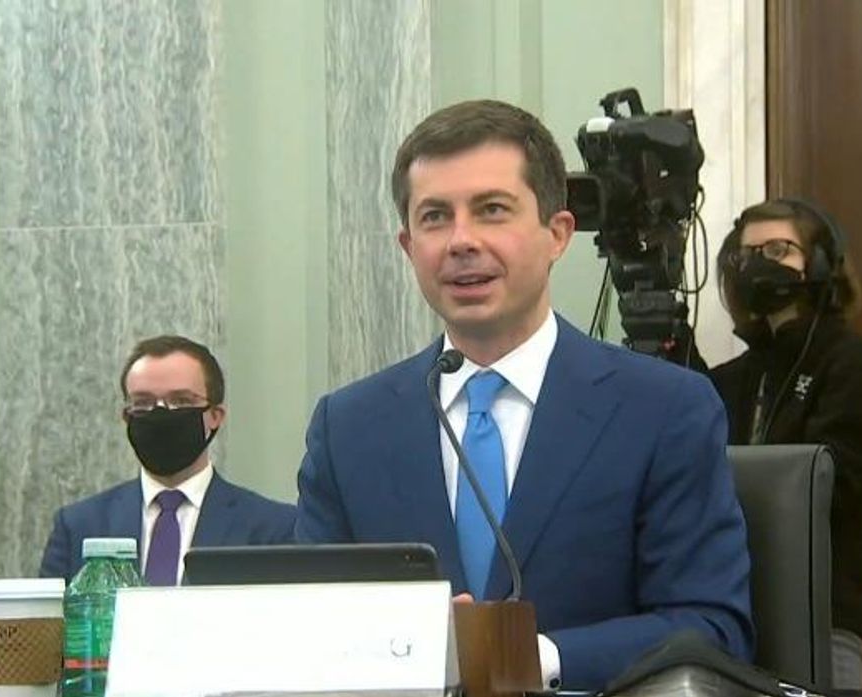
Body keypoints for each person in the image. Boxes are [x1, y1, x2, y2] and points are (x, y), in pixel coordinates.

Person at [294, 100, 754, 691]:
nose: (461, 241)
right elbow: (310, 629)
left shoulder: (665, 409)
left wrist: (534, 657)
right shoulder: (349, 426)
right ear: (409, 248)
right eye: (435, 217)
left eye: (491, 210)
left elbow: (711, 627)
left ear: (557, 234)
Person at [709, 199, 862, 690]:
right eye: (746, 254)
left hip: (823, 614)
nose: (758, 264)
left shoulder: (851, 365)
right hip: (736, 608)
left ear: (817, 264)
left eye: (777, 249)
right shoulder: (735, 376)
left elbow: (839, 486)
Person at [40, 335, 296, 584]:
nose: (161, 414)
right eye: (143, 402)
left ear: (216, 415)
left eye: (181, 401)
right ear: (127, 416)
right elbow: (47, 623)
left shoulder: (273, 529)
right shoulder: (78, 526)